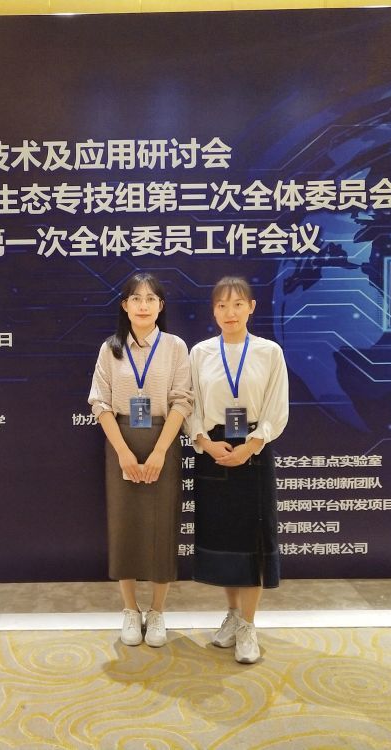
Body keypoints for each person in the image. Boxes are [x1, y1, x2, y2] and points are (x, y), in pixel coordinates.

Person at [186, 276, 289, 664]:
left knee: (252, 541)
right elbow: (190, 405)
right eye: (221, 305)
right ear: (213, 311)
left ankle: (248, 625)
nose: (230, 312)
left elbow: (277, 407)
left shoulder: (269, 352)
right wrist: (205, 441)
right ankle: (232, 614)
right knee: (225, 539)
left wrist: (251, 445)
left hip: (254, 451)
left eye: (237, 304)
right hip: (213, 452)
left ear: (251, 307)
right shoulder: (200, 353)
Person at [88, 272, 193, 648]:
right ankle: (130, 610)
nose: (143, 305)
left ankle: (158, 611)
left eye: (150, 299)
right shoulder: (110, 348)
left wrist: (161, 451)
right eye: (136, 298)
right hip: (122, 443)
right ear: (125, 305)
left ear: (160, 306)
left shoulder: (176, 347)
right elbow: (99, 403)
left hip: (164, 441)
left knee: (163, 527)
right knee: (125, 526)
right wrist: (123, 453)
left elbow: (182, 400)